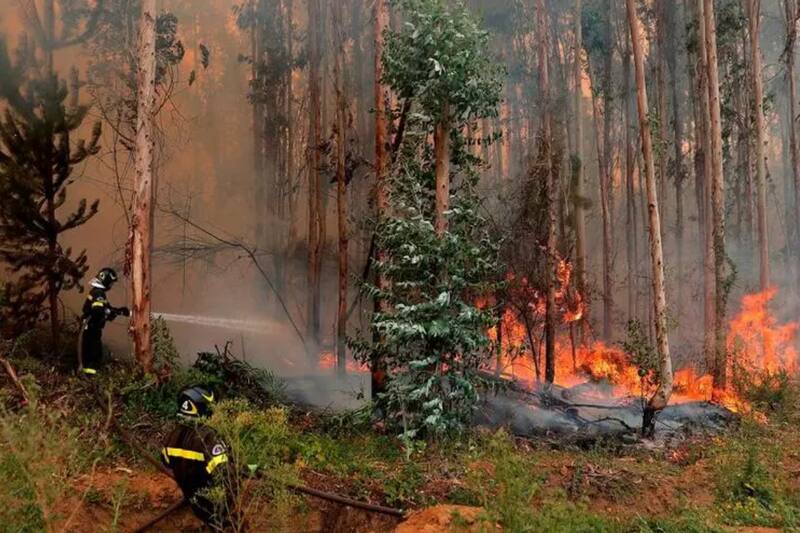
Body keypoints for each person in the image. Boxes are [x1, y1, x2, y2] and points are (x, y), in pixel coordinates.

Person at [162, 386, 232, 528]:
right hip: (212, 503)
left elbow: (166, 461)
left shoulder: (172, 435)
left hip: (191, 498)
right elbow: (224, 472)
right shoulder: (208, 436)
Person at [79, 267, 129, 376]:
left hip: (91, 328)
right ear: (106, 281)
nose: (111, 286)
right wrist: (109, 313)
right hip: (92, 328)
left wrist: (119, 311)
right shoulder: (98, 293)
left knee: (92, 352)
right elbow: (98, 311)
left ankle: (89, 375)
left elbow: (106, 309)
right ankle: (90, 377)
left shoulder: (97, 292)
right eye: (111, 283)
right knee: (93, 353)